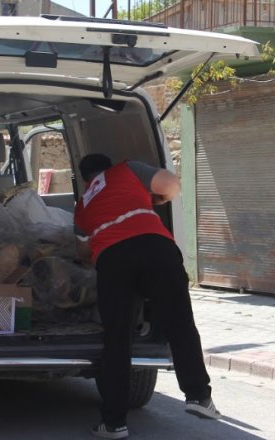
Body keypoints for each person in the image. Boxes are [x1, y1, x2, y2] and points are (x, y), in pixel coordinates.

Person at [73, 154, 219, 439]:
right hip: (156, 248)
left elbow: (81, 251)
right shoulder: (127, 170)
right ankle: (198, 396)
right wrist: (159, 198)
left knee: (117, 339)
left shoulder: (83, 203)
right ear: (109, 165)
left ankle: (114, 423)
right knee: (180, 323)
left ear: (85, 178)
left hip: (113, 259)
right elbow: (171, 182)